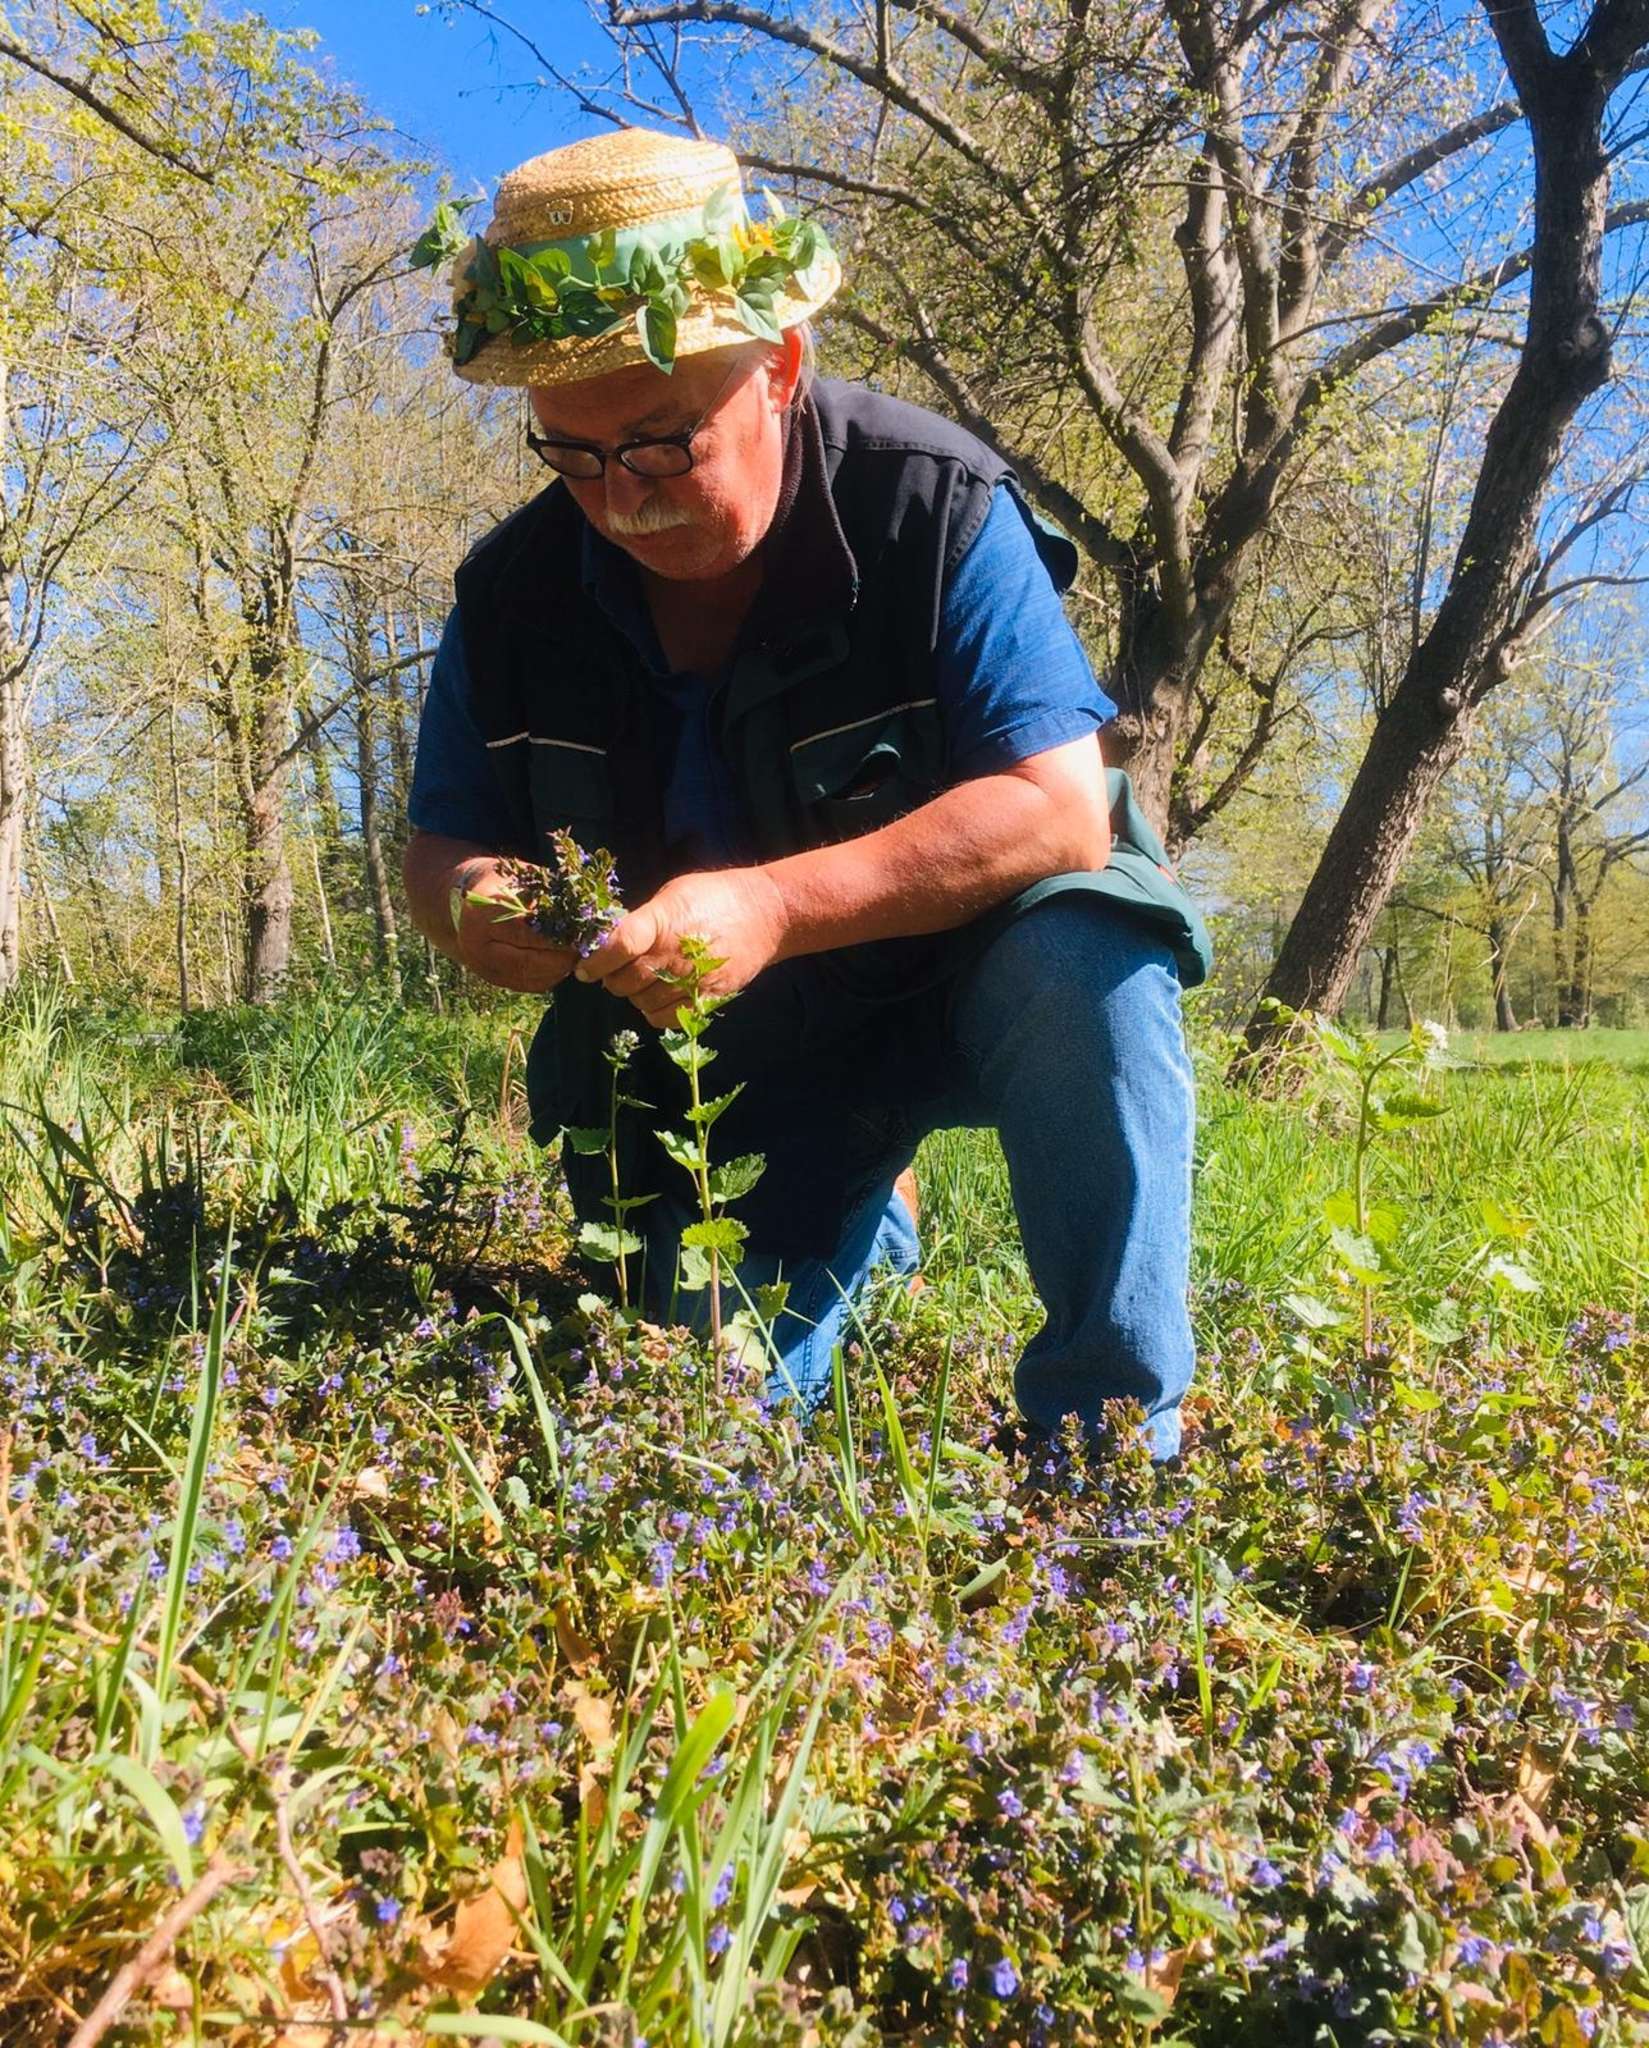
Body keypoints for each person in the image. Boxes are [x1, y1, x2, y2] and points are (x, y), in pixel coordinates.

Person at [403, 127, 1210, 1461]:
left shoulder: (930, 504)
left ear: (777, 367)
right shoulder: (509, 595)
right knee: (706, 1434)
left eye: (660, 446)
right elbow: (441, 844)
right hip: (730, 1054)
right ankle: (859, 1208)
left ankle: (1110, 1445)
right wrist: (475, 907)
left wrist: (771, 906)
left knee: (1094, 954)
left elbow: (1054, 806)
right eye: (573, 455)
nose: (618, 499)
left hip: (968, 981)